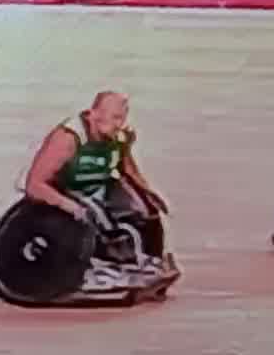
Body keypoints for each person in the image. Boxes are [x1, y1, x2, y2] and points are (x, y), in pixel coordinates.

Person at [21, 92, 176, 289]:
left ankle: (148, 261)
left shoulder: (118, 135)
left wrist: (150, 195)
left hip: (98, 187)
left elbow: (127, 170)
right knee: (91, 214)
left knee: (143, 210)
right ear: (94, 114)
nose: (120, 124)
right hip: (63, 191)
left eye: (122, 117)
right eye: (115, 118)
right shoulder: (68, 138)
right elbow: (34, 185)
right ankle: (95, 268)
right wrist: (68, 205)